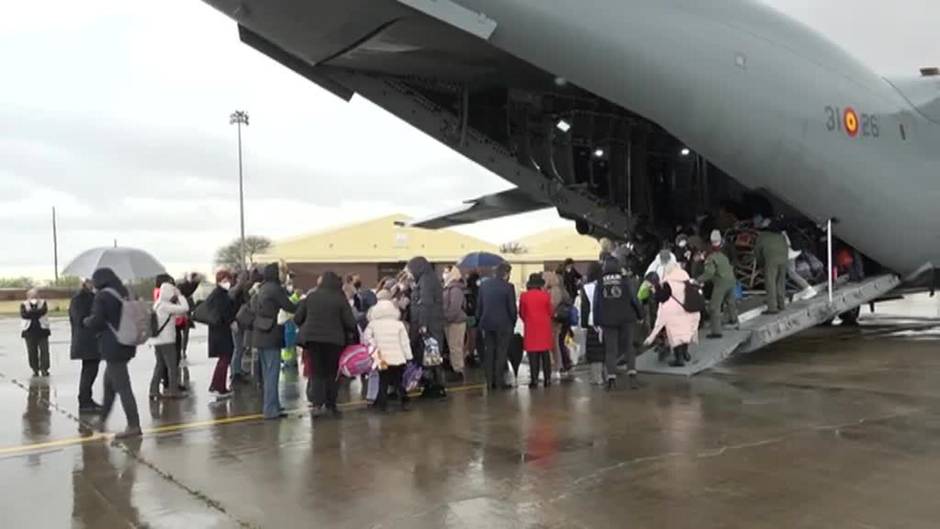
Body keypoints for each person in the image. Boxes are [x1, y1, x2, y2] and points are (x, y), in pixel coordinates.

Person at [82, 268, 141, 439]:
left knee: (123, 387)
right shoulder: (126, 292)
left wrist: (87, 321)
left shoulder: (102, 296)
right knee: (109, 384)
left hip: (112, 346)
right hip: (126, 342)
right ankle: (102, 419)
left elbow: (98, 321)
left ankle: (134, 425)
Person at [295, 271, 357, 416]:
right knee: (332, 373)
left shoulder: (311, 297)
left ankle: (317, 405)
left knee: (316, 373)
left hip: (313, 341)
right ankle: (331, 404)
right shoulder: (340, 299)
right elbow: (350, 322)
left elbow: (297, 318)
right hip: (335, 342)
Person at [252, 263, 298, 420]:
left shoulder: (263, 288)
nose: (284, 275)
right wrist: (302, 303)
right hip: (271, 334)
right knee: (272, 373)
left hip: (260, 334)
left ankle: (272, 405)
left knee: (267, 373)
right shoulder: (275, 289)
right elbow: (289, 306)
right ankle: (271, 410)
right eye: (282, 273)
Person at [594, 258, 645, 390]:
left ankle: (611, 379)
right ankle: (632, 377)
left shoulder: (600, 282)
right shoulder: (625, 280)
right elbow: (634, 299)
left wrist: (596, 320)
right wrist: (640, 315)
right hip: (626, 318)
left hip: (608, 320)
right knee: (629, 347)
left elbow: (597, 303)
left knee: (611, 349)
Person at [644, 263, 702, 368]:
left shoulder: (669, 283)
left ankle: (679, 359)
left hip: (674, 312)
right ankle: (685, 354)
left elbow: (662, 297)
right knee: (684, 333)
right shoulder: (686, 279)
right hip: (687, 309)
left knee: (675, 336)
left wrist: (655, 289)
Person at [406, 256, 447, 398]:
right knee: (431, 357)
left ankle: (435, 387)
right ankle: (434, 386)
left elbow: (426, 304)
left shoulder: (426, 280)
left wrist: (422, 325)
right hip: (431, 325)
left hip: (429, 327)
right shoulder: (427, 279)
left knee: (430, 357)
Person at [362, 297, 413, 412]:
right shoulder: (399, 324)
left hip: (382, 358)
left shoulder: (373, 324)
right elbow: (405, 342)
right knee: (398, 381)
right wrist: (409, 357)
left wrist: (375, 347)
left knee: (383, 380)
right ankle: (405, 400)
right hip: (398, 358)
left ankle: (381, 404)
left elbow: (366, 338)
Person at [476, 262, 517, 390]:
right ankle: (499, 381)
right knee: (501, 353)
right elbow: (512, 309)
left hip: (487, 323)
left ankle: (489, 382)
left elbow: (479, 307)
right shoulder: (508, 287)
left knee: (490, 352)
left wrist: (479, 321)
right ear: (506, 274)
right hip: (504, 325)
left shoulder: (484, 285)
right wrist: (513, 322)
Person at [149, 280, 189, 400]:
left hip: (157, 341)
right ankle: (173, 391)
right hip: (167, 341)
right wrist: (180, 295)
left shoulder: (157, 304)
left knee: (159, 366)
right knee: (172, 367)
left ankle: (153, 390)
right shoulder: (166, 306)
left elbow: (174, 316)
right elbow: (185, 308)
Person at [696, 230, 739, 338]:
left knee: (714, 306)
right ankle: (734, 321)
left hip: (721, 283)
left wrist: (698, 280)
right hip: (731, 280)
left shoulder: (711, 257)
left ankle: (716, 331)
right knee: (730, 301)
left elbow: (709, 273)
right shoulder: (723, 255)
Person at [206, 270, 239, 397]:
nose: (228, 283)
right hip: (221, 331)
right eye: (225, 280)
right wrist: (231, 322)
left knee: (223, 359)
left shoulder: (217, 293)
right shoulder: (221, 295)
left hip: (217, 331)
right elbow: (224, 312)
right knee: (224, 359)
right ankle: (219, 387)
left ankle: (216, 385)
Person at [70, 279, 101, 412]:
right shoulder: (80, 298)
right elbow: (79, 319)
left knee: (91, 371)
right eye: (91, 281)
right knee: (89, 372)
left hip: (91, 340)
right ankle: (84, 401)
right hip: (86, 341)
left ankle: (87, 399)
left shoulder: (91, 296)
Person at [519, 273, 553, 388]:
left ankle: (534, 380)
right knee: (545, 354)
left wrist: (527, 320)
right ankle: (547, 379)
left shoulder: (524, 296)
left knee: (533, 355)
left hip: (531, 328)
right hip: (544, 327)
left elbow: (522, 313)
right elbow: (550, 311)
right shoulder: (546, 295)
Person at [577, 263, 607, 385]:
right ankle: (607, 375)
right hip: (607, 321)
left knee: (594, 351)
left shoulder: (587, 288)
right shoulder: (605, 285)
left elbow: (585, 307)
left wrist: (584, 324)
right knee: (605, 348)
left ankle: (596, 377)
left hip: (592, 321)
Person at [754, 219, 789, 314]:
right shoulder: (781, 235)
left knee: (770, 283)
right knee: (780, 282)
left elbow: (757, 252)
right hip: (784, 259)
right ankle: (781, 304)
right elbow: (786, 247)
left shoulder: (762, 236)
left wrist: (761, 264)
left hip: (771, 260)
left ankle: (772, 308)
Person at [544, 271, 572, 380]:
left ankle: (558, 366)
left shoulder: (554, 291)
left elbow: (551, 306)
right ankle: (563, 364)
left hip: (554, 321)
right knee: (558, 343)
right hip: (561, 320)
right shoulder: (562, 290)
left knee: (555, 344)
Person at [442, 267, 468, 381]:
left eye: (448, 272)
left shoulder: (455, 289)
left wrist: (447, 317)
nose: (445, 274)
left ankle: (458, 370)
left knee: (456, 346)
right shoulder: (449, 288)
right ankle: (456, 368)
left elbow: (455, 308)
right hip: (450, 321)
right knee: (453, 346)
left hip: (455, 322)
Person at [20, 288, 51, 377]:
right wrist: (35, 313)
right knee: (32, 352)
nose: (34, 297)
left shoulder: (43, 303)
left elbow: (43, 311)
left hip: (42, 330)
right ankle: (35, 369)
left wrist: (32, 312)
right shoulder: (24, 304)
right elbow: (24, 315)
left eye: (35, 296)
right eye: (31, 296)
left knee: (44, 352)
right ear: (28, 297)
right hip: (29, 331)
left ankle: (44, 369)